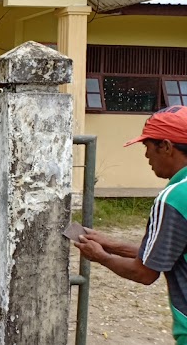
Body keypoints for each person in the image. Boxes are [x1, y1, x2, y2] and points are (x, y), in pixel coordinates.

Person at [75, 106, 187, 344]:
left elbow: (145, 272)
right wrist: (110, 244)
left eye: (147, 147)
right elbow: (168, 254)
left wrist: (101, 257)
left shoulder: (175, 197)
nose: (146, 156)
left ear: (166, 147)